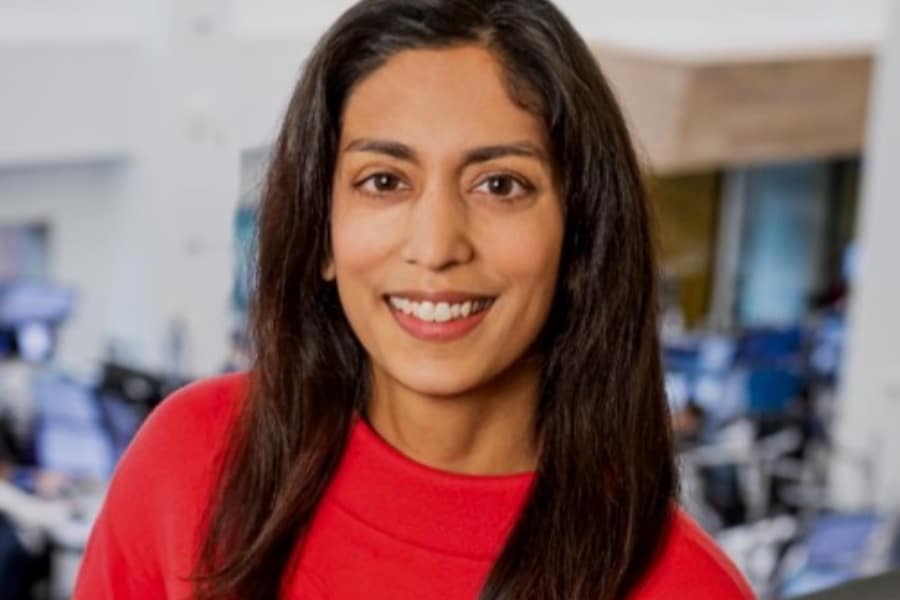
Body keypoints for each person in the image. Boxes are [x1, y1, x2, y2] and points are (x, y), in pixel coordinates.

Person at [74, 1, 756, 598]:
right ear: (322, 232)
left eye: (499, 185)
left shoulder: (688, 590)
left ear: (580, 239)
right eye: (384, 181)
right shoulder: (193, 458)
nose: (435, 247)